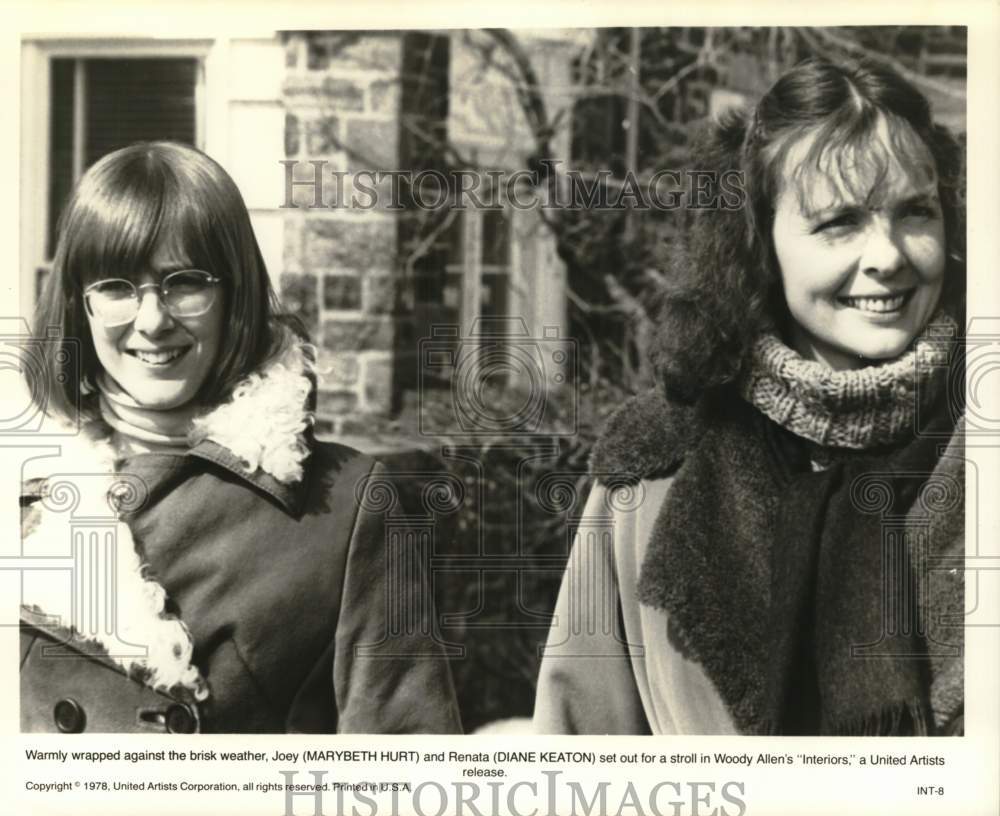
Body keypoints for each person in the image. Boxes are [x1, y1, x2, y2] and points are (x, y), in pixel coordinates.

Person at [533, 57, 965, 736]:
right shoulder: (650, 476)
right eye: (839, 222)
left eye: (916, 212)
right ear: (760, 242)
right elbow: (577, 763)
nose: (888, 255)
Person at [20, 141, 462, 734]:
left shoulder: (344, 506)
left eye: (186, 282)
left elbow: (407, 769)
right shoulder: (20, 478)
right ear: (79, 303)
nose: (152, 320)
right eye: (118, 286)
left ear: (235, 294)